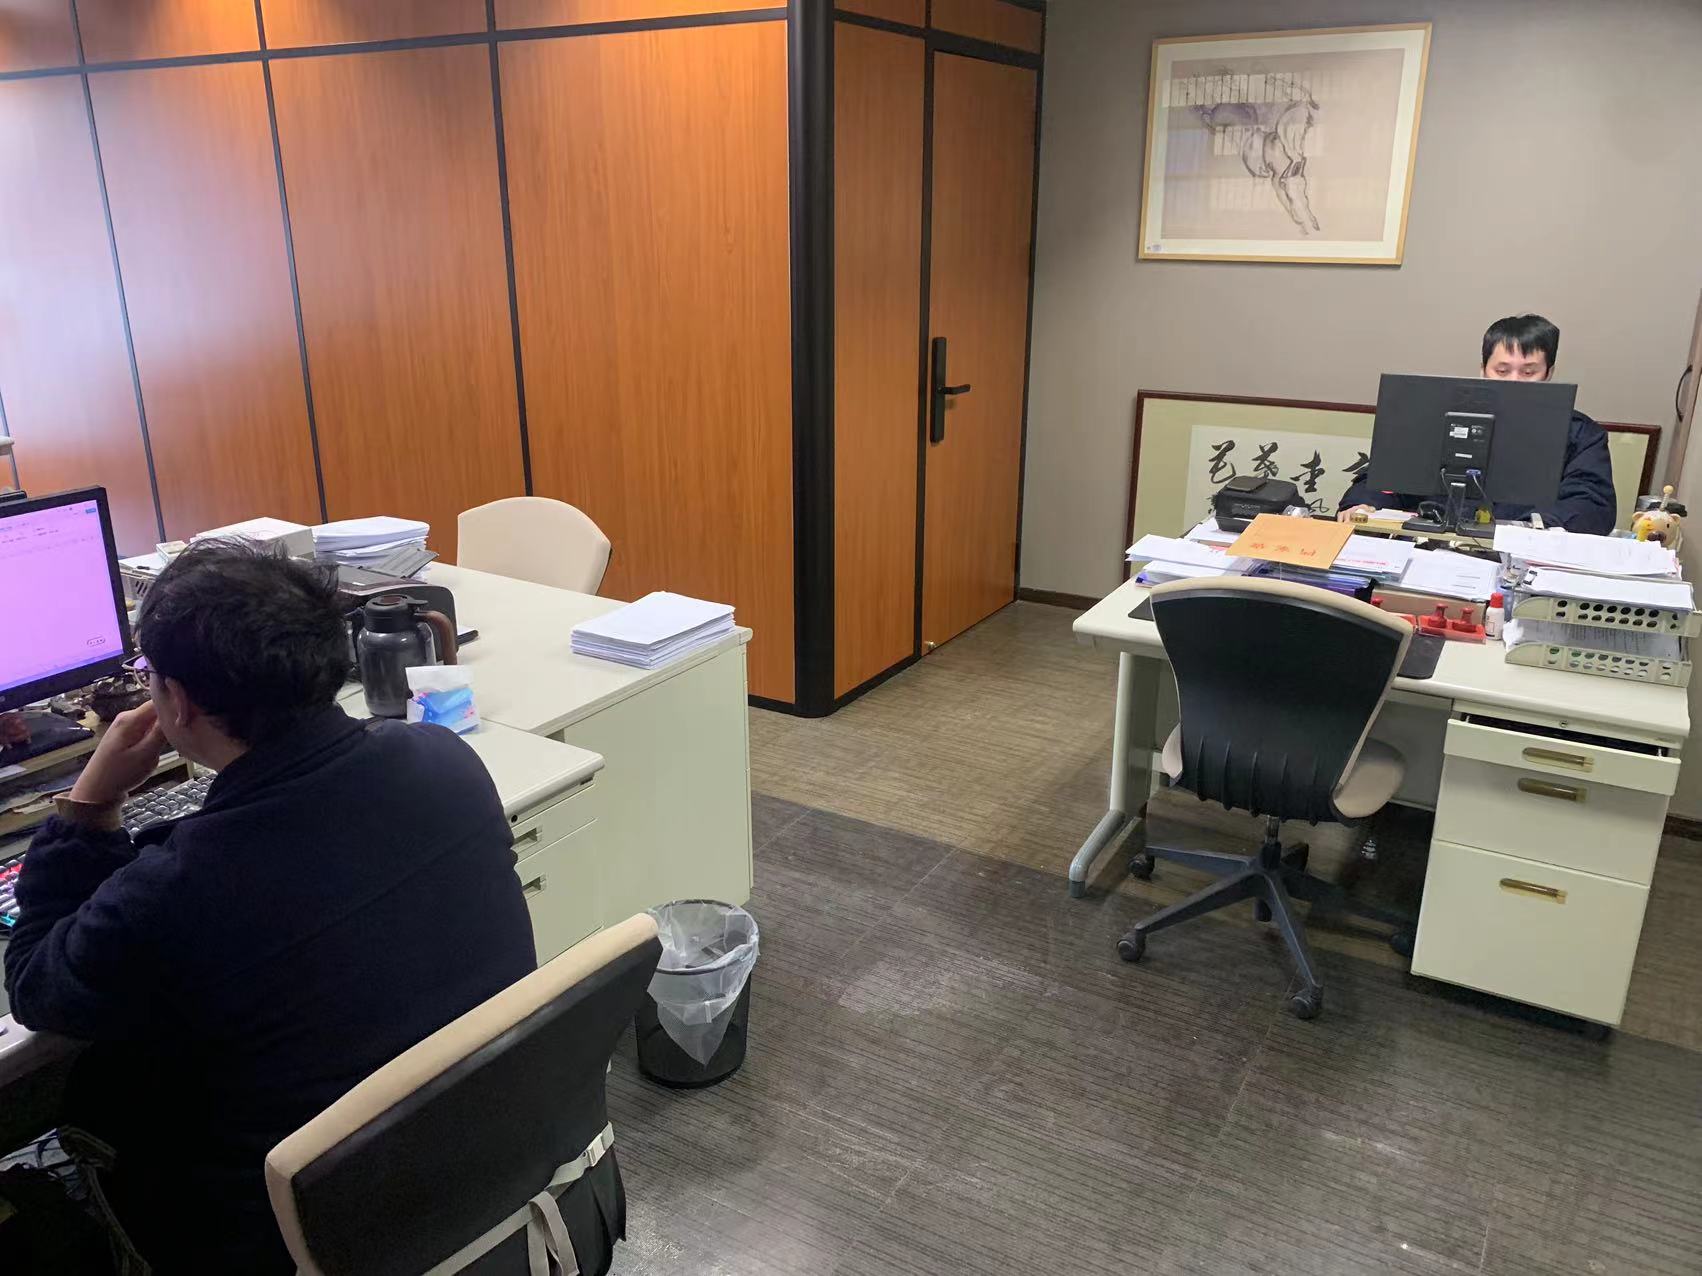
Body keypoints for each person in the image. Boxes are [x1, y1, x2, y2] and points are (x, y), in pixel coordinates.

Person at [3, 542, 534, 1271]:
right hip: (477, 1160)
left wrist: (90, 803)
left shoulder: (178, 888)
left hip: (289, 1231)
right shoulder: (442, 759)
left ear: (177, 701)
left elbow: (35, 985)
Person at [1338, 314, 1616, 533]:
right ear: (1483, 370)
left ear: (1548, 373)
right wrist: (1365, 504)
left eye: (1528, 372)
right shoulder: (1437, 417)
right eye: (1502, 370)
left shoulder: (1580, 434)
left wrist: (1536, 528)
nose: (1514, 382)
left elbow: (1591, 505)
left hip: (1523, 555)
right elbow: (1385, 477)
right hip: (1430, 546)